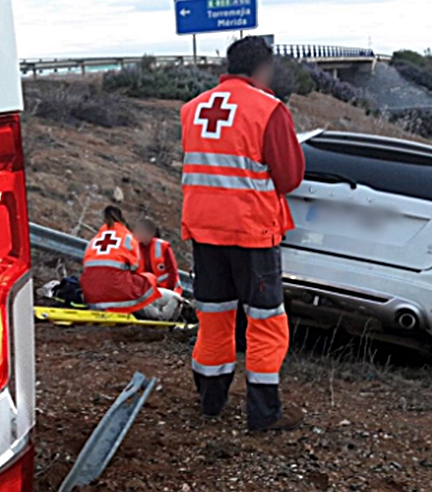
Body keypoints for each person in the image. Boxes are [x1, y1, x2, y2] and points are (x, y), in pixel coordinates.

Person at [180, 36, 306, 432]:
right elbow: (289, 178)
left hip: (204, 230)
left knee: (215, 317)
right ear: (263, 68)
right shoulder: (269, 110)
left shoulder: (192, 109)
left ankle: (210, 402)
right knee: (265, 320)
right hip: (252, 231)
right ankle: (263, 414)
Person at [82, 206, 181, 321]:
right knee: (146, 282)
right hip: (118, 291)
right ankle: (162, 314)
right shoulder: (127, 238)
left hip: (91, 295)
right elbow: (135, 267)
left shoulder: (94, 240)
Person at [133, 218, 182, 296]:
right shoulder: (135, 247)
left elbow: (172, 271)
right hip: (146, 291)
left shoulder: (162, 246)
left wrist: (169, 290)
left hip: (167, 289)